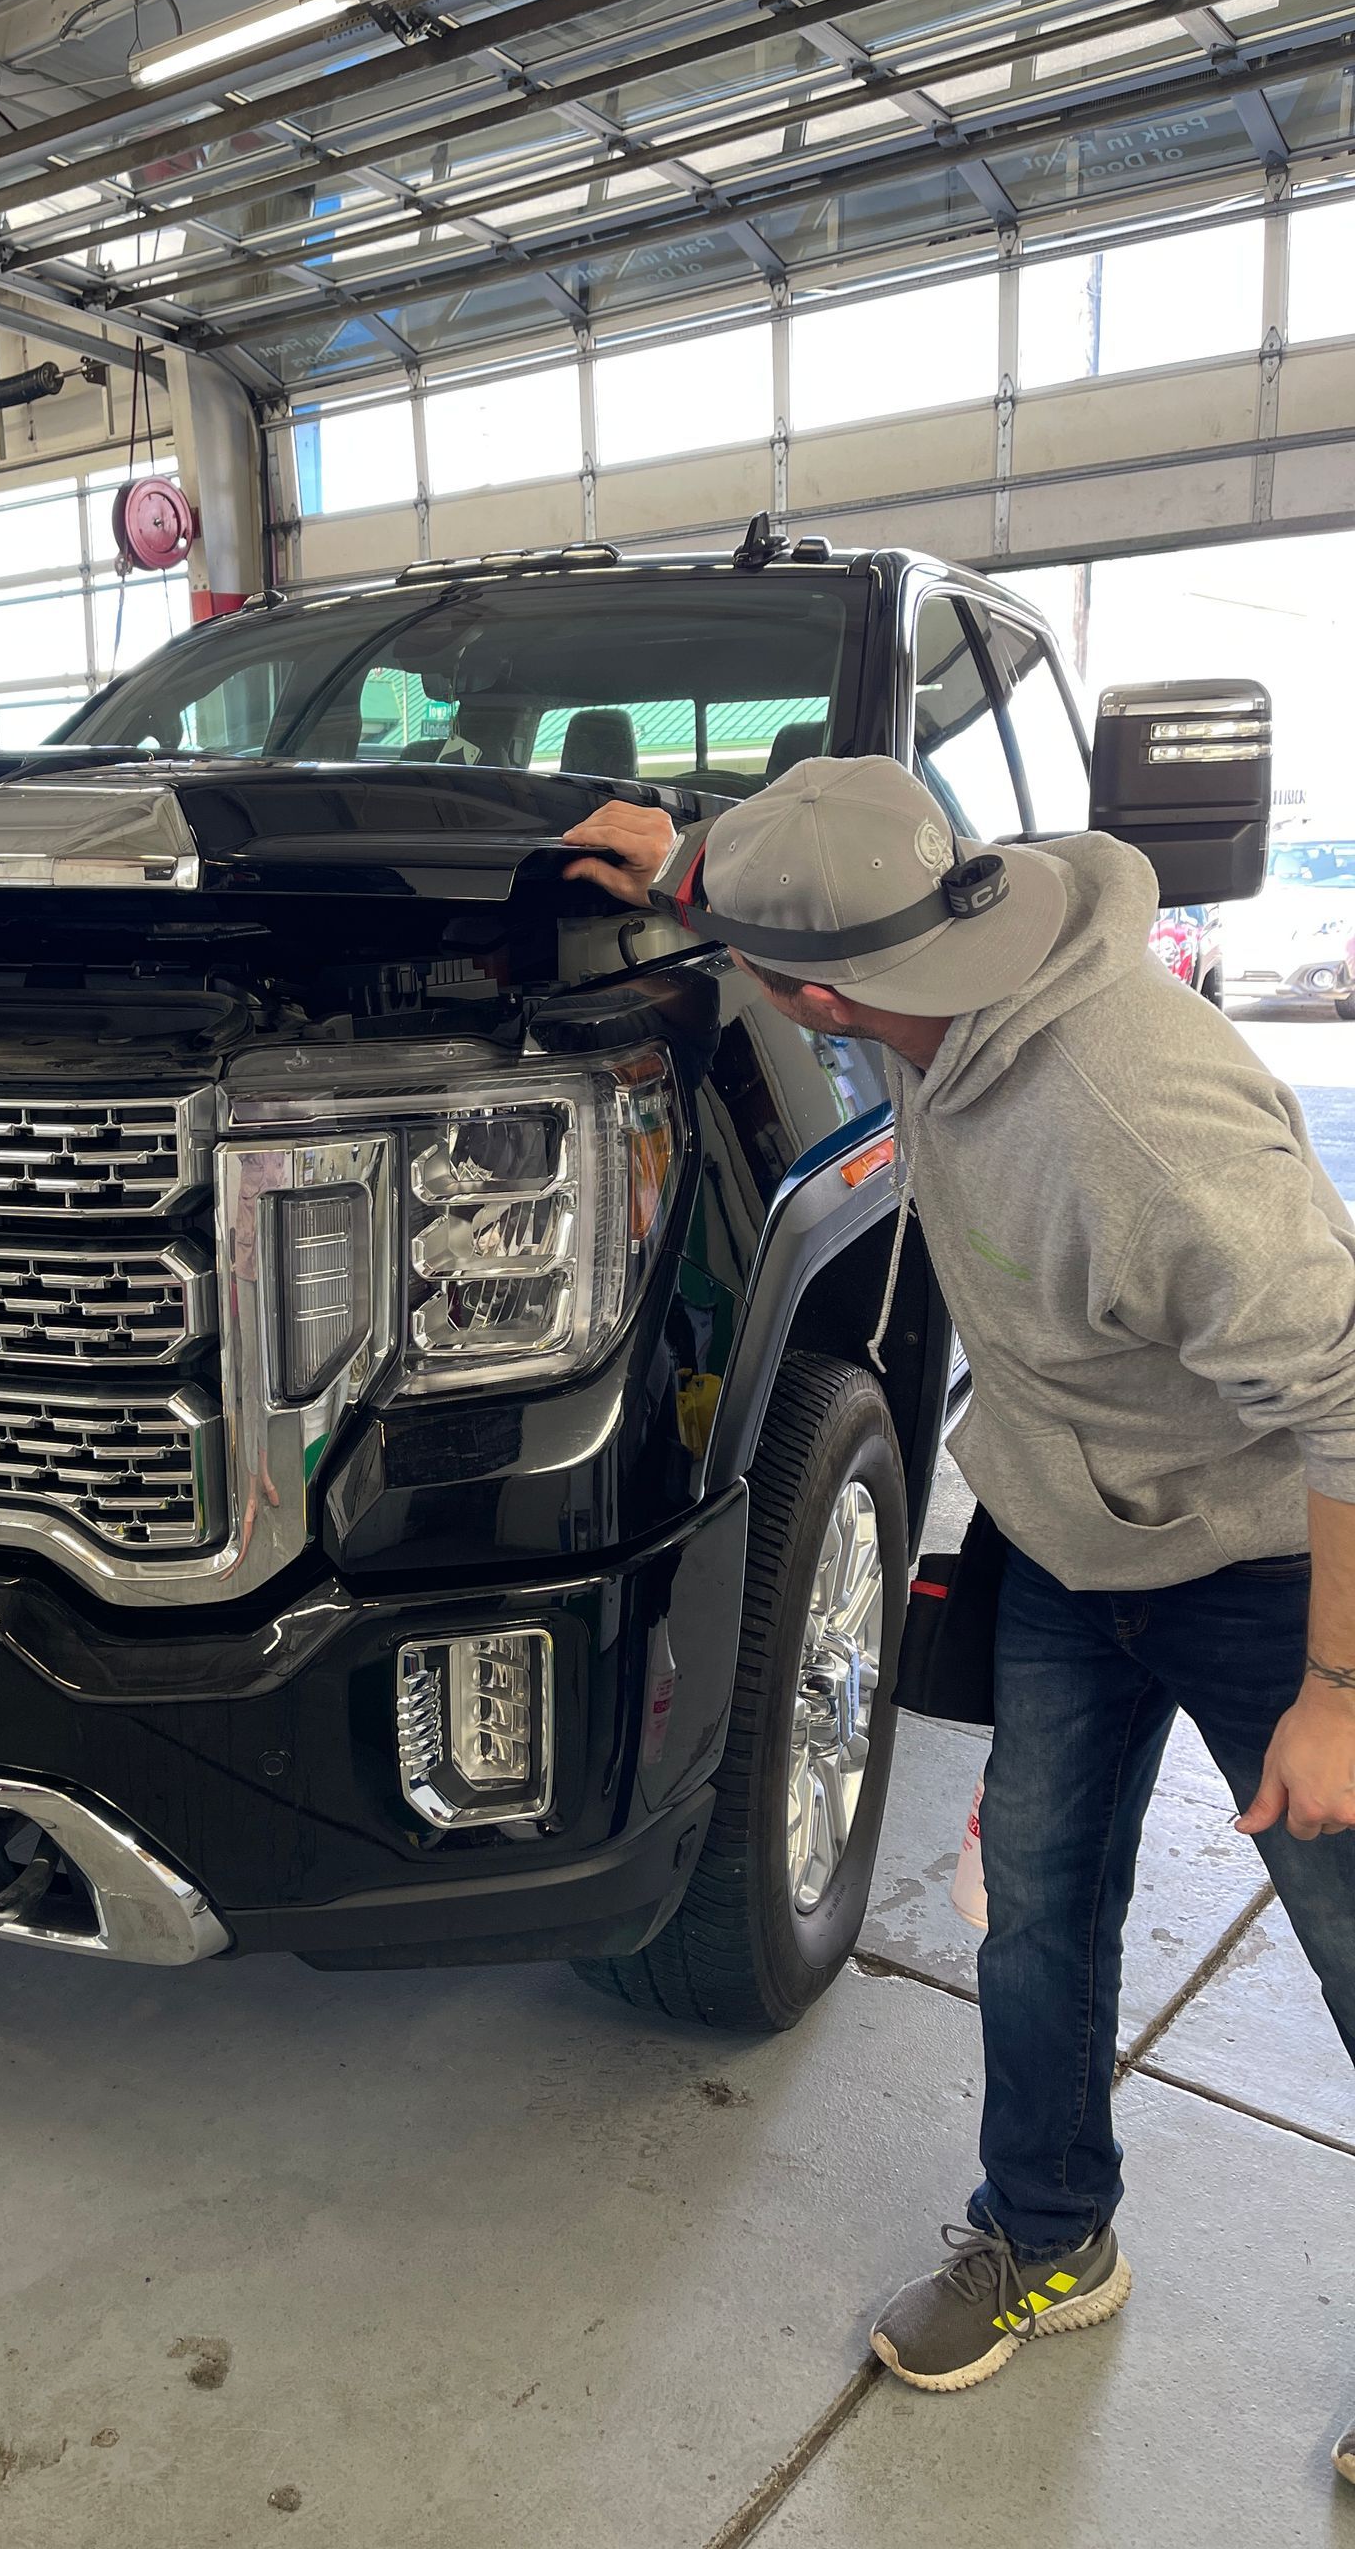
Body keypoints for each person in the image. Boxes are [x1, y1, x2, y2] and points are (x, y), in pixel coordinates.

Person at [562, 756, 1355, 2478]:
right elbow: (761, 893)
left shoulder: (1134, 1121)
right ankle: (1051, 2234)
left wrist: (1339, 1687)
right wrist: (678, 861)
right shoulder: (924, 953)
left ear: (825, 999)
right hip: (1075, 1546)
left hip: (1268, 1564)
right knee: (1040, 1918)